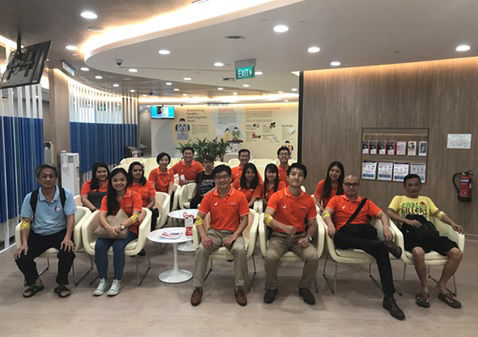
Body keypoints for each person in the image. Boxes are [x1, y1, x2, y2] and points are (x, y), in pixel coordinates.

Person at [323, 175, 405, 320]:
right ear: (343, 186)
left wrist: (386, 227)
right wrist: (330, 224)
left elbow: (382, 215)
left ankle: (389, 298)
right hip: (345, 235)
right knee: (339, 237)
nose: (351, 187)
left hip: (363, 235)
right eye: (348, 184)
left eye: (354, 184)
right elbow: (326, 213)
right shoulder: (336, 200)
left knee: (381, 253)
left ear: (358, 186)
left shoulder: (365, 202)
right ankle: (381, 244)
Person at [386, 174, 464, 309]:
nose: (413, 188)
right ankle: (424, 287)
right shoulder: (399, 199)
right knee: (418, 251)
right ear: (404, 186)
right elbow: (389, 212)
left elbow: (439, 214)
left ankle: (442, 285)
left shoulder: (426, 200)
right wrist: (407, 221)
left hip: (429, 234)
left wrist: (452, 223)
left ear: (420, 186)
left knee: (457, 253)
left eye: (416, 185)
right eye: (410, 185)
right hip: (411, 236)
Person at [191, 165, 249, 307]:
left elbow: (245, 220)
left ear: (230, 179)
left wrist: (234, 236)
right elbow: (199, 218)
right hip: (214, 232)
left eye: (224, 177)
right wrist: (204, 236)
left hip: (233, 232)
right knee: (201, 250)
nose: (221, 180)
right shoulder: (209, 196)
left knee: (240, 250)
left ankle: (239, 287)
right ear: (214, 180)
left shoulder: (239, 196)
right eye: (218, 177)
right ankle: (198, 287)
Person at [15, 164, 76, 298]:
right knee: (21, 256)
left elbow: (70, 217)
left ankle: (61, 283)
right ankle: (35, 282)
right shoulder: (30, 198)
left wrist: (67, 237)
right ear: (38, 179)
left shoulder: (65, 195)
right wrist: (24, 242)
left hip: (60, 232)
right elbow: (25, 222)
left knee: (67, 252)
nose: (48, 179)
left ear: (56, 178)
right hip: (38, 234)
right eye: (44, 176)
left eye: (51, 176)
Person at [263, 163, 319, 305]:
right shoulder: (277, 196)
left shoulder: (308, 200)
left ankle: (304, 287)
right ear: (287, 177)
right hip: (279, 236)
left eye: (300, 175)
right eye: (293, 174)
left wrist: (308, 237)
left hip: (300, 237)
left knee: (313, 257)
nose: (296, 177)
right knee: (270, 257)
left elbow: (313, 224)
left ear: (303, 179)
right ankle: (272, 287)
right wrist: (284, 227)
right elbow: (267, 218)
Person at [93, 168, 143, 297]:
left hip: (129, 229)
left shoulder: (135, 195)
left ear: (127, 181)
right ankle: (103, 279)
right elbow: (102, 216)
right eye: (115, 180)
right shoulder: (107, 197)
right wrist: (109, 228)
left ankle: (117, 280)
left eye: (122, 180)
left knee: (118, 246)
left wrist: (120, 227)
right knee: (99, 246)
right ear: (111, 182)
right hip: (110, 230)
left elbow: (135, 216)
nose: (118, 183)